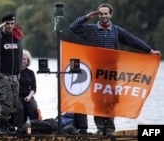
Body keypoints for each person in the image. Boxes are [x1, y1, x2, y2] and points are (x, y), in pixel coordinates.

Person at [69, 3, 161, 136]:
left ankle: (110, 130)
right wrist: (88, 16)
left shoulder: (116, 31)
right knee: (98, 101)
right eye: (101, 13)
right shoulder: (90, 29)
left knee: (111, 102)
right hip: (95, 72)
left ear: (110, 15)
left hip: (111, 72)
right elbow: (73, 26)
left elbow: (132, 40)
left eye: (106, 13)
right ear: (98, 15)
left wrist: (150, 50)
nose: (104, 16)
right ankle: (101, 129)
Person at [19, 49, 39, 122]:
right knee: (19, 109)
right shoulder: (14, 72)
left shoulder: (31, 73)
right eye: (21, 58)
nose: (22, 61)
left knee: (33, 108)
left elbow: (33, 88)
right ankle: (19, 128)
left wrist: (29, 96)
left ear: (27, 61)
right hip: (17, 97)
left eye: (24, 59)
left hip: (28, 96)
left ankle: (35, 127)